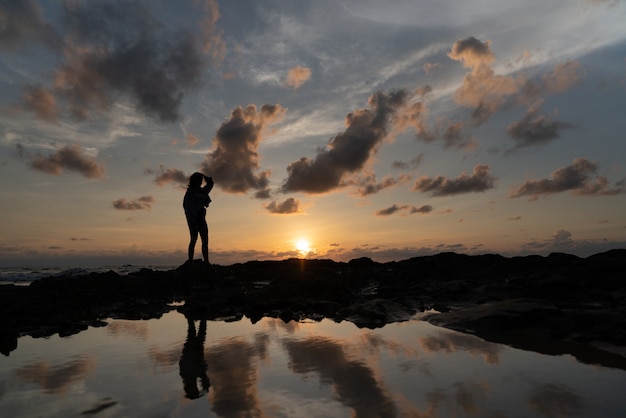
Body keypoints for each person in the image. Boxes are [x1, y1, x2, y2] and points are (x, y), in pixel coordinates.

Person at [183, 172, 214, 263]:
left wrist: (204, 176)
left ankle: (206, 261)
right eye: (198, 180)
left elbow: (210, 184)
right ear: (193, 181)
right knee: (194, 239)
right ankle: (190, 260)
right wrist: (193, 218)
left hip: (201, 217)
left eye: (201, 180)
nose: (200, 182)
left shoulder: (202, 191)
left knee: (205, 240)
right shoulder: (190, 193)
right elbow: (187, 207)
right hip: (193, 218)